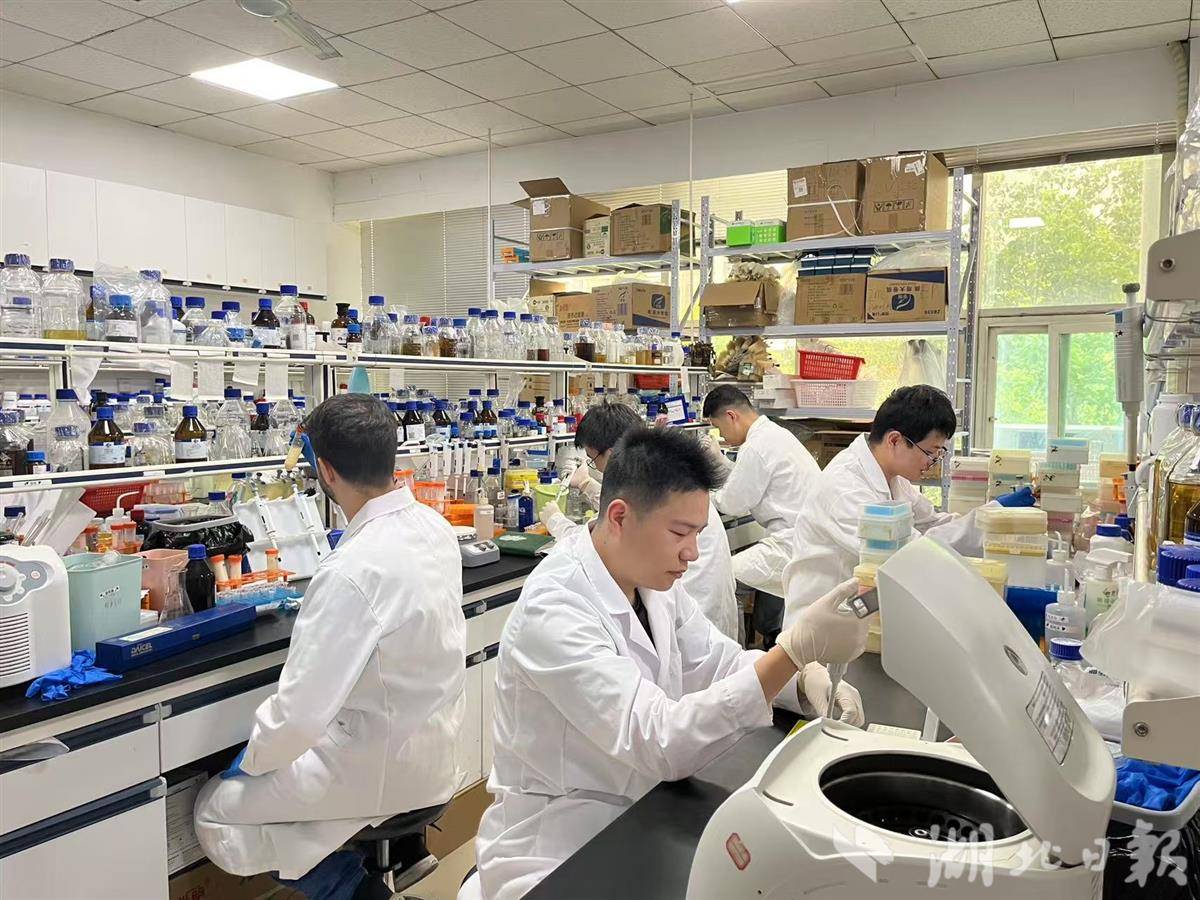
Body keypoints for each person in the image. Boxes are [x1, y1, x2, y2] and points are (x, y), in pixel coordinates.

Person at [466, 428, 869, 900]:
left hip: (644, 812)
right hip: (559, 845)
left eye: (697, 533)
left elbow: (718, 661)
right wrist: (792, 651)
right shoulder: (555, 609)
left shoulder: (651, 584)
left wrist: (800, 681)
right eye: (679, 533)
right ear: (620, 517)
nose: (692, 553)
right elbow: (656, 739)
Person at [194, 394, 467, 900]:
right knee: (296, 798)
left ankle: (354, 889)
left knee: (216, 812)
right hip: (435, 754)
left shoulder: (350, 571)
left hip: (376, 770)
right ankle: (399, 851)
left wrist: (249, 762)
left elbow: (297, 717)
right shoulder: (434, 527)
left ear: (324, 470)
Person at [782, 384, 1034, 622]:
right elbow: (908, 553)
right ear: (894, 440)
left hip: (863, 614)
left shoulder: (893, 477)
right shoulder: (845, 489)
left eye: (939, 453)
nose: (933, 462)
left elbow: (933, 524)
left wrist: (994, 515)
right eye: (930, 452)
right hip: (821, 625)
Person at [539, 403, 740, 640]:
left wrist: (557, 521)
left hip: (696, 607)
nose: (692, 553)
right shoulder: (667, 476)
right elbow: (621, 514)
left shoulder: (664, 493)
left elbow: (603, 537)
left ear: (612, 454)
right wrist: (587, 486)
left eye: (593, 459)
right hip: (698, 609)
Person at [701, 384, 820, 598]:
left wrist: (697, 493)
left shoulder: (756, 446)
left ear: (731, 416)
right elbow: (750, 478)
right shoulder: (773, 434)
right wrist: (721, 462)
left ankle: (732, 621)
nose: (722, 436)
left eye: (719, 428)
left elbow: (731, 504)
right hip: (806, 537)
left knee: (721, 578)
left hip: (791, 542)